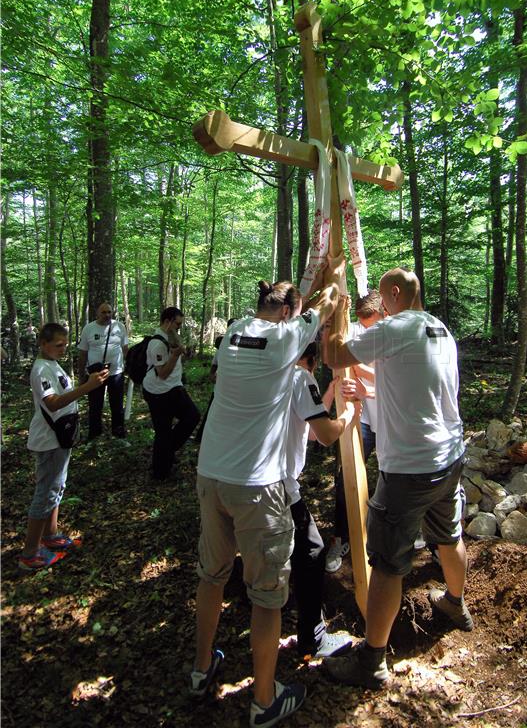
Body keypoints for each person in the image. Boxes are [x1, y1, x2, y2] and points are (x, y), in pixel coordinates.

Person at [191, 276, 338, 728]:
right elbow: (327, 307)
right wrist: (329, 289)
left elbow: (299, 316)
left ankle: (201, 671)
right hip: (257, 486)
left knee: (212, 575)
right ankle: (264, 699)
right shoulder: (287, 337)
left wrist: (302, 300)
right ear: (291, 313)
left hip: (212, 475)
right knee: (267, 596)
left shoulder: (234, 331)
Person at [322, 266, 471, 690]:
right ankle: (456, 604)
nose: (381, 307)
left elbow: (334, 356)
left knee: (387, 564)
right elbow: (410, 385)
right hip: (449, 457)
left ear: (392, 293)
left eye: (383, 299)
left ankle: (371, 661)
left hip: (411, 467)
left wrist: (334, 313)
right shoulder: (438, 328)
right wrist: (368, 393)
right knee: (448, 535)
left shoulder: (396, 326)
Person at [287, 341, 359, 659]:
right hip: (278, 485)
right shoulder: (302, 377)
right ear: (313, 361)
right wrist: (350, 413)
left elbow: (312, 430)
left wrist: (328, 392)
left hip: (241, 481)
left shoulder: (275, 372)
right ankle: (312, 638)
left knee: (292, 551)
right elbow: (327, 435)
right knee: (312, 550)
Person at [19, 323, 108, 571]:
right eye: (58, 345)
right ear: (43, 344)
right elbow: (53, 403)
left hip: (60, 437)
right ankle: (30, 552)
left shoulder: (52, 364)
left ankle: (51, 535)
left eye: (65, 345)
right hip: (49, 440)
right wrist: (87, 387)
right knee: (45, 492)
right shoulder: (40, 369)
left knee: (56, 487)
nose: (63, 349)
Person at [325, 290, 384, 573]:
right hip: (361, 419)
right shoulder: (356, 330)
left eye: (370, 322)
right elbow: (332, 359)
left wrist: (358, 374)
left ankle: (402, 534)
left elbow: (393, 377)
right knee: (344, 476)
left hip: (388, 420)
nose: (367, 327)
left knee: (396, 478)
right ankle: (341, 537)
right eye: (362, 322)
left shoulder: (393, 332)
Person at [142, 306, 200, 480]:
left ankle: (166, 454)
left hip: (173, 388)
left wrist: (182, 353)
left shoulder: (172, 336)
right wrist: (175, 355)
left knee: (191, 417)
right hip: (158, 392)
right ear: (167, 321)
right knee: (164, 431)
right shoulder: (157, 343)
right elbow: (163, 373)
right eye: (178, 324)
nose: (179, 327)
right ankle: (160, 472)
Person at [78, 303, 129, 441]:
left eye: (109, 312)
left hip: (116, 373)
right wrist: (81, 374)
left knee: (117, 405)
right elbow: (83, 353)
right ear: (97, 314)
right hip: (95, 374)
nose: (107, 315)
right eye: (104, 312)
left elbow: (125, 348)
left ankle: (118, 434)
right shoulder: (89, 328)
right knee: (95, 405)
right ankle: (94, 435)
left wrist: (130, 366)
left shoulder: (120, 326)